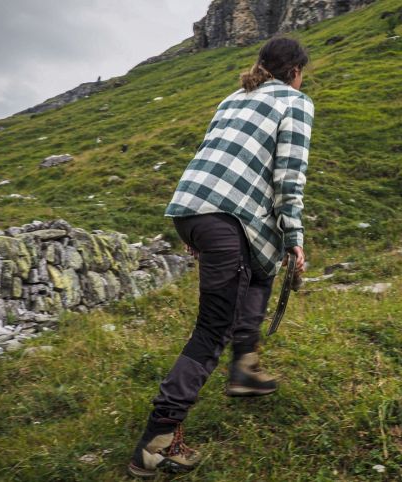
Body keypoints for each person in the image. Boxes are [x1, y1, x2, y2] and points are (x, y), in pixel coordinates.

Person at [127, 36, 314, 478]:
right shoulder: (295, 101)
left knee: (261, 265)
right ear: (295, 72)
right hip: (223, 217)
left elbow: (212, 153)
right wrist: (296, 237)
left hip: (193, 209)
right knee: (212, 328)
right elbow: (289, 176)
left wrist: (199, 223)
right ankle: (157, 441)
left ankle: (245, 367)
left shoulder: (235, 96)